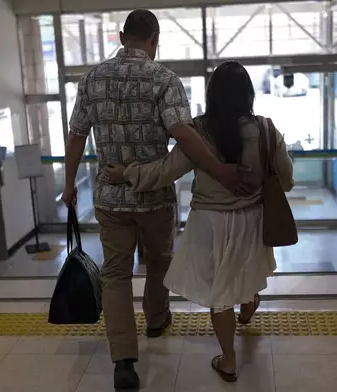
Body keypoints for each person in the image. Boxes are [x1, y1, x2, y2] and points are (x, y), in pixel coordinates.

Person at [62, 10, 251, 391]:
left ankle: (124, 361)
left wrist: (69, 186)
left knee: (115, 275)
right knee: (159, 262)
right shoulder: (164, 79)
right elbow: (182, 133)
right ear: (155, 38)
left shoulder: (91, 79)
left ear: (120, 37)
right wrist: (220, 168)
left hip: (110, 197)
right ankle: (156, 318)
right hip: (153, 199)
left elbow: (77, 135)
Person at [106, 61, 295, 382]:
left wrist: (127, 173)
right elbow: (286, 180)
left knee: (219, 293)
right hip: (251, 221)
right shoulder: (266, 129)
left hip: (208, 224)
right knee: (244, 273)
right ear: (249, 94)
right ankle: (248, 306)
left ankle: (229, 360)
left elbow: (164, 171)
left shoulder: (198, 132)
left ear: (212, 96)